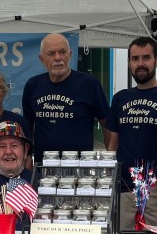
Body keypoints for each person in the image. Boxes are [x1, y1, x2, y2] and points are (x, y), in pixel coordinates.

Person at [103, 37, 157, 229]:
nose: (140, 63)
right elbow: (112, 145)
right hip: (124, 187)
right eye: (135, 58)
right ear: (129, 62)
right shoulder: (120, 98)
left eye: (146, 58)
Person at [22, 32, 109, 160]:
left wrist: (111, 155)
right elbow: (27, 127)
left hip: (80, 166)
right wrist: (28, 157)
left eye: (62, 52)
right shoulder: (33, 85)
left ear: (70, 54)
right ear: (42, 59)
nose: (58, 58)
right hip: (44, 166)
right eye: (51, 53)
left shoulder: (89, 84)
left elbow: (107, 123)